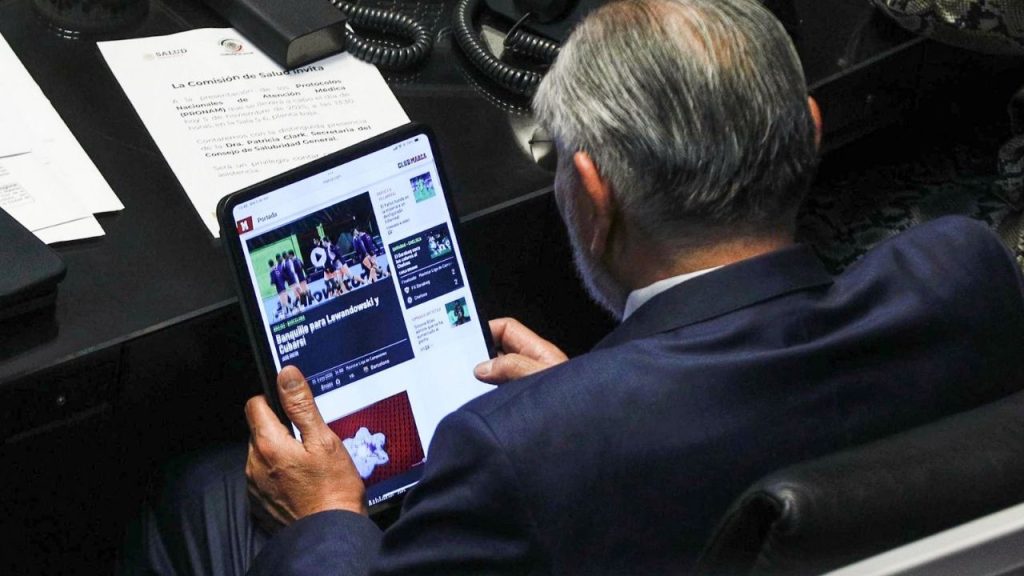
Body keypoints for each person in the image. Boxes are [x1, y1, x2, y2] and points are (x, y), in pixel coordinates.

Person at [122, 0, 1024, 574]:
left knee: (201, 494)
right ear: (811, 131)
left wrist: (326, 514)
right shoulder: (963, 275)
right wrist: (587, 398)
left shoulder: (514, 450)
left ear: (594, 198)